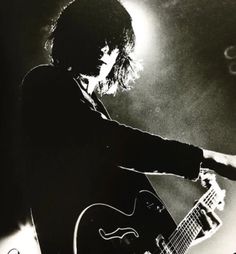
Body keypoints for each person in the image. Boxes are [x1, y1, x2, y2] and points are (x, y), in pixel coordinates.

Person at [19, 0, 236, 253]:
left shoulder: (96, 111)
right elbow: (108, 142)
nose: (103, 48)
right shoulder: (44, 83)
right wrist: (208, 159)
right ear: (72, 38)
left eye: (112, 42)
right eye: (94, 35)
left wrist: (180, 239)